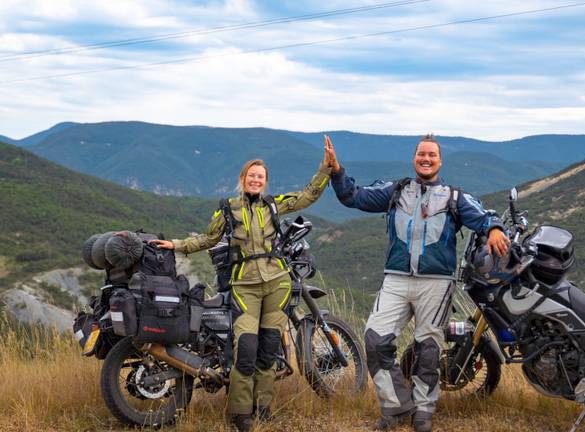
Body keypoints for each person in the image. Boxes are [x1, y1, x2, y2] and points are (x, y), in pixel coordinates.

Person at [325, 134, 510, 432]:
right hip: (396, 279)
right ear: (414, 158)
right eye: (422, 154)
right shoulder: (397, 190)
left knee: (428, 348)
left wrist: (494, 229)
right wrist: (336, 171)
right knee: (375, 339)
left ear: (440, 161)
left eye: (432, 155)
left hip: (436, 284)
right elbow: (354, 196)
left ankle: (424, 411)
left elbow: (483, 214)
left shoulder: (453, 197)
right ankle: (397, 406)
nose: (426, 159)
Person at [152, 147, 335, 432]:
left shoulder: (273, 205)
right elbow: (208, 239)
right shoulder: (227, 208)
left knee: (269, 346)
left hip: (277, 283)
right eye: (252, 176)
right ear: (243, 178)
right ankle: (239, 412)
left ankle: (263, 408)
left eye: (260, 177)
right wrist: (175, 245)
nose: (256, 180)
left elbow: (306, 196)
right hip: (245, 286)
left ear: (265, 181)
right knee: (246, 348)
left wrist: (326, 170)